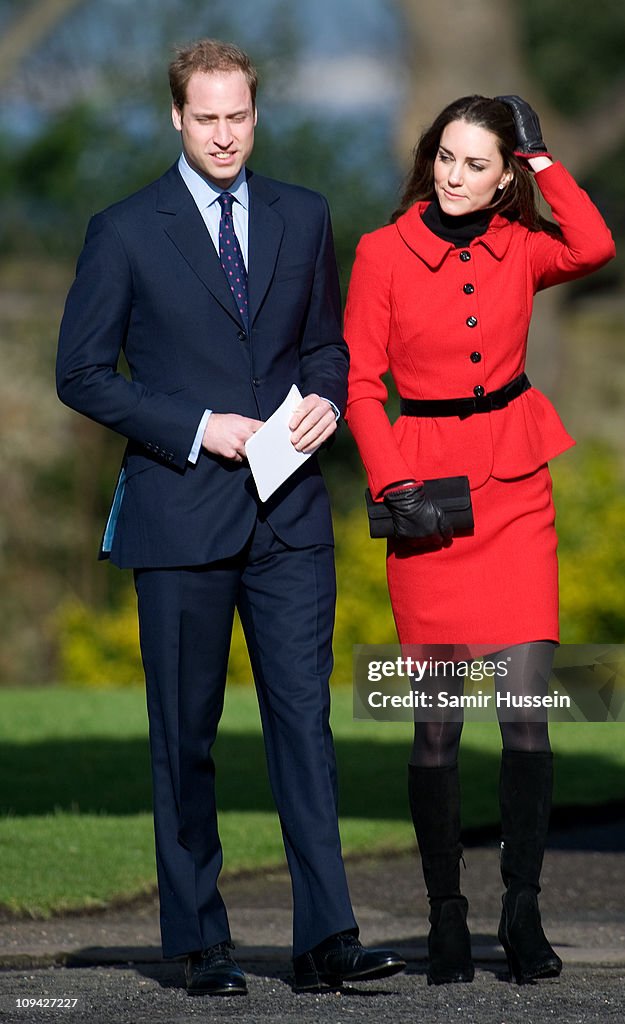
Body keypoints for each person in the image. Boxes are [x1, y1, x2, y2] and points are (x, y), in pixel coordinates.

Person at [56, 38, 405, 997]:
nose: (223, 134)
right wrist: (201, 427)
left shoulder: (305, 214)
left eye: (238, 116)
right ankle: (198, 940)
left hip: (289, 516)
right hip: (179, 517)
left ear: (258, 114)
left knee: (306, 728)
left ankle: (327, 936)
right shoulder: (124, 230)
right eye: (205, 118)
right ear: (176, 117)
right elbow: (80, 375)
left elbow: (327, 345)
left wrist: (327, 400)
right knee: (186, 736)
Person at [343, 94, 615, 986]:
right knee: (435, 730)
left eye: (477, 164)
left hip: (514, 491)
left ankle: (522, 912)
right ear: (430, 160)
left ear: (502, 177)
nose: (456, 177)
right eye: (446, 159)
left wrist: (541, 158)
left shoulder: (519, 246)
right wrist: (393, 485)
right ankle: (446, 915)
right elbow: (359, 382)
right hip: (427, 497)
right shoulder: (382, 252)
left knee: (528, 718)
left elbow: (593, 244)